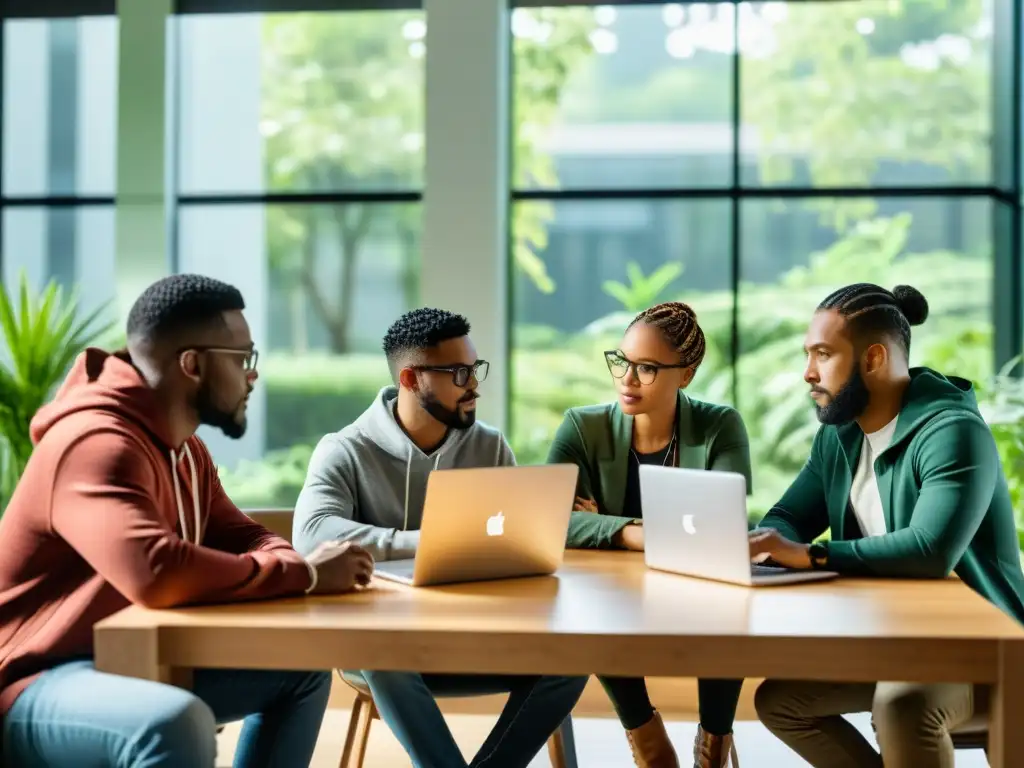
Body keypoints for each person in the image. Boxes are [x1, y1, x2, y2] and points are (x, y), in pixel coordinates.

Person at [0, 274, 375, 768]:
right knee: (171, 723)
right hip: (34, 681)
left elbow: (247, 535)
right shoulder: (93, 443)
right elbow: (156, 571)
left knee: (300, 670)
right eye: (243, 359)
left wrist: (286, 561)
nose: (253, 376)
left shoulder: (186, 452)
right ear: (192, 364)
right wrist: (303, 574)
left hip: (129, 661)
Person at [292, 307, 587, 768]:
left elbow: (516, 539)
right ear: (410, 379)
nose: (475, 384)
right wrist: (430, 540)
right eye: (459, 373)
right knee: (377, 650)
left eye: (475, 369)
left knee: (573, 659)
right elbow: (313, 536)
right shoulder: (344, 450)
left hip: (481, 634)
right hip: (388, 651)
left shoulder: (489, 446)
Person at [749, 283, 1024, 768]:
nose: (808, 373)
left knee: (901, 705)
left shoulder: (952, 432)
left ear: (873, 359)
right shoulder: (839, 436)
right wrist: (767, 544)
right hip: (896, 637)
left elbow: (928, 551)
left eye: (822, 354)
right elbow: (789, 517)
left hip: (986, 646)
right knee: (781, 703)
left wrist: (811, 555)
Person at [546, 302, 751, 768]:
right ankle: (645, 736)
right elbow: (549, 519)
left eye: (647, 368)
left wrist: (600, 524)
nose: (627, 379)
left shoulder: (720, 427)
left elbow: (724, 525)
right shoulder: (583, 427)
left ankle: (714, 742)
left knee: (729, 603)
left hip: (697, 588)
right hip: (613, 593)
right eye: (621, 362)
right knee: (593, 602)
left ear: (687, 374)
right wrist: (640, 533)